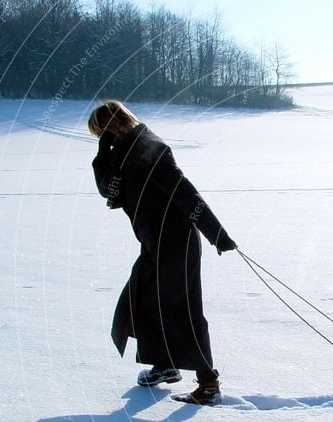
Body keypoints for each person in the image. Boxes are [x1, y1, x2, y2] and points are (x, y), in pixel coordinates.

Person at [88, 100, 236, 405]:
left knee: (184, 309)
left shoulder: (150, 147)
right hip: (154, 243)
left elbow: (183, 190)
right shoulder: (123, 153)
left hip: (176, 241)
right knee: (143, 301)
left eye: (99, 133)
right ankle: (165, 364)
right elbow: (109, 191)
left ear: (109, 126)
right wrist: (104, 152)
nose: (100, 139)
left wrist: (216, 233)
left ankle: (208, 384)